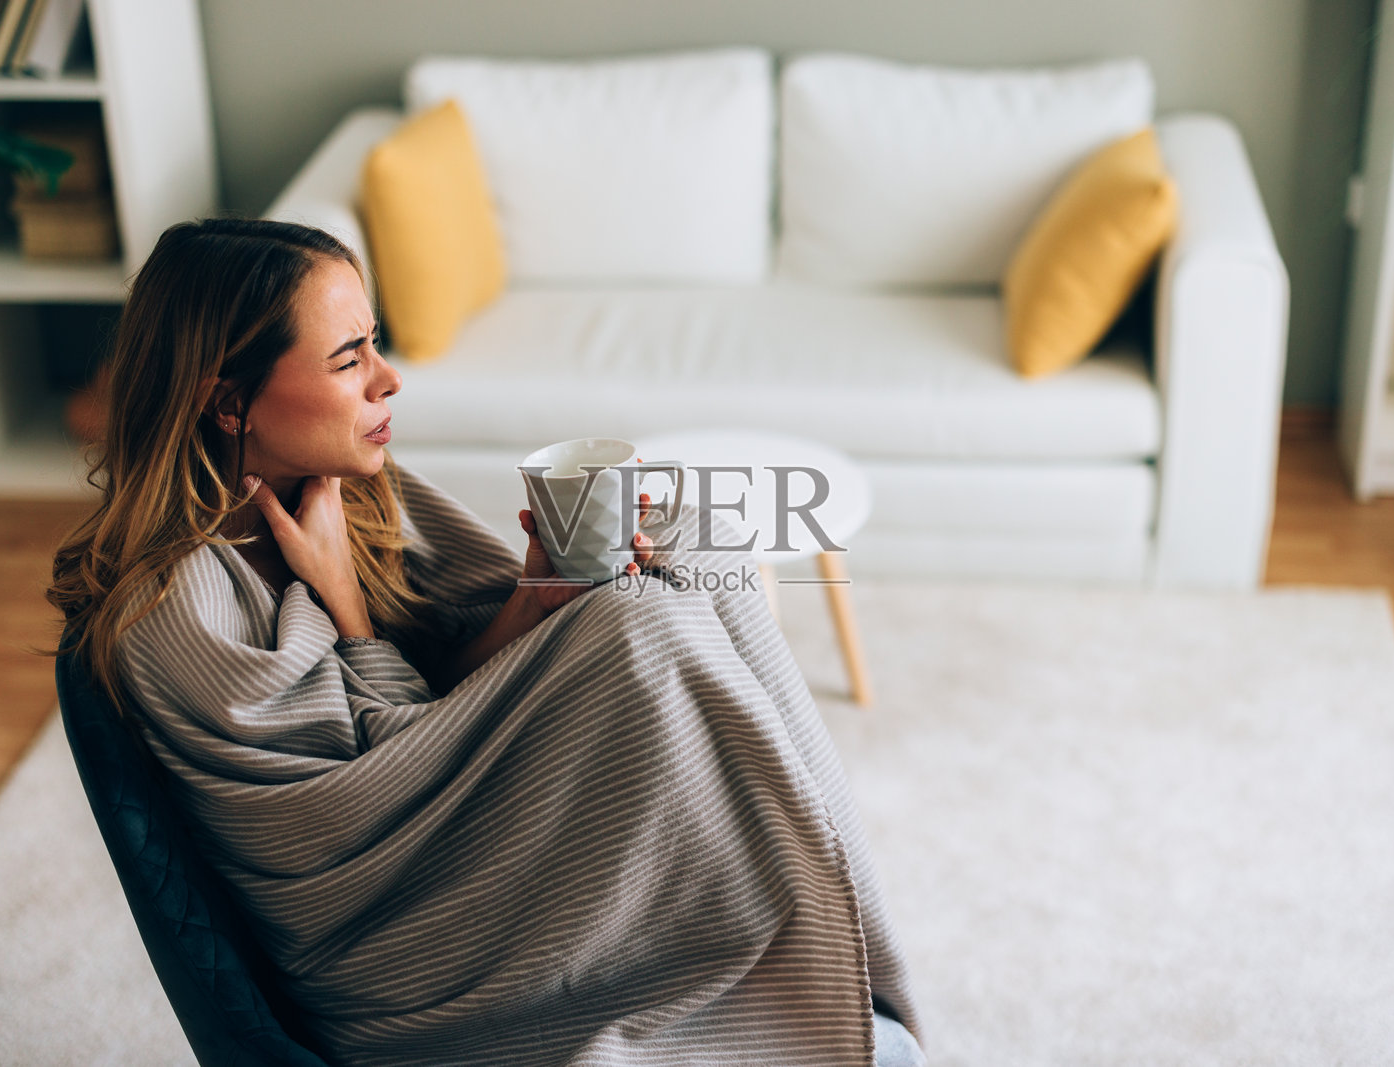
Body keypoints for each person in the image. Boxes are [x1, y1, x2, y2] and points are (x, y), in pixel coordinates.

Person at [48, 217, 925, 1066]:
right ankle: (757, 947)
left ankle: (795, 928)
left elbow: (446, 708)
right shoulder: (178, 610)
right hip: (397, 951)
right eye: (348, 358)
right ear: (228, 400)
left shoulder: (352, 489)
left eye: (376, 344)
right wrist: (346, 609)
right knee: (639, 626)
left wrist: (535, 601)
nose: (388, 380)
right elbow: (375, 806)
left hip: (451, 847)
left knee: (690, 539)